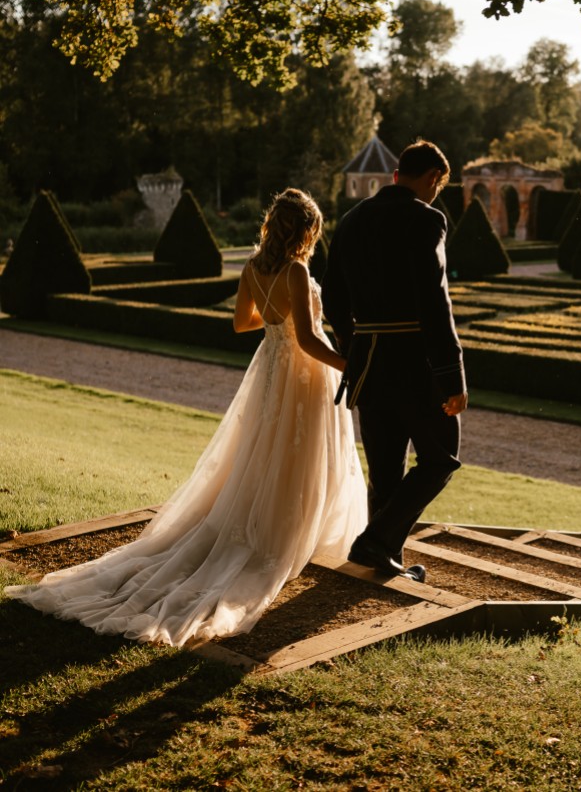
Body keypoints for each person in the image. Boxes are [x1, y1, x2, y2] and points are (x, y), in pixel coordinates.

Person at [5, 189, 366, 647]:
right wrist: (350, 364)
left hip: (272, 370)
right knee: (298, 452)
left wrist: (277, 323)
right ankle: (284, 535)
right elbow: (313, 341)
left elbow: (242, 323)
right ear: (306, 230)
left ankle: (269, 524)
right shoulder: (296, 269)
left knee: (263, 451)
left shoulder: (254, 267)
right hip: (302, 374)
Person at [322, 140, 467, 582]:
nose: (436, 193)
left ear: (396, 173)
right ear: (431, 178)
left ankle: (385, 558)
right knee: (442, 457)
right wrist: (453, 376)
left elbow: (331, 296)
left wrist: (354, 342)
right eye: (437, 186)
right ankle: (375, 543)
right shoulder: (427, 218)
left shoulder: (351, 218)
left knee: (386, 470)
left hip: (367, 364)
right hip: (416, 366)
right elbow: (434, 301)